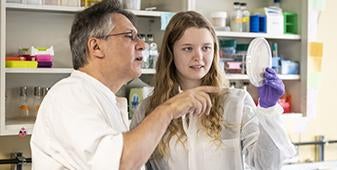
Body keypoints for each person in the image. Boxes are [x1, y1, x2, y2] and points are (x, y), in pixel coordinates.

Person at [30, 1, 220, 169]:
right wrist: (169, 108)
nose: (142, 45)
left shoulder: (101, 98)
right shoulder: (69, 95)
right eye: (130, 36)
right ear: (96, 47)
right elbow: (121, 162)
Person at [130, 11, 296, 170]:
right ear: (170, 53)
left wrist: (269, 111)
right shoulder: (149, 110)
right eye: (188, 48)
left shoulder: (235, 103)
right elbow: (132, 164)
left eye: (206, 48)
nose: (199, 57)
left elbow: (267, 165)